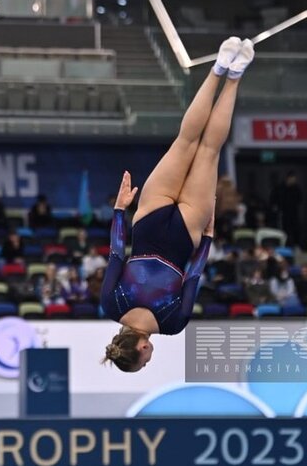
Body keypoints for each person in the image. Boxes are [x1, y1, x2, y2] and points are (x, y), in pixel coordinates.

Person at [100, 37, 254, 372]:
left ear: (141, 348)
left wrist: (209, 238)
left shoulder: (173, 323)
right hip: (147, 226)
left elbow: (194, 273)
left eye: (144, 362)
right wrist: (119, 211)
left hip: (184, 237)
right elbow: (115, 253)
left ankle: (235, 74)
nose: (149, 359)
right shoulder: (110, 305)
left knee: (209, 151)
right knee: (186, 141)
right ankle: (218, 68)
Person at [270, 172, 304, 248]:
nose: (294, 181)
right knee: (285, 230)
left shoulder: (296, 188)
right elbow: (273, 199)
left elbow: (300, 199)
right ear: (288, 178)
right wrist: (276, 208)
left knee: (296, 229)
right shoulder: (280, 188)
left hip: (294, 212)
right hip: (283, 213)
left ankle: (296, 245)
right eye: (292, 179)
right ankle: (285, 245)